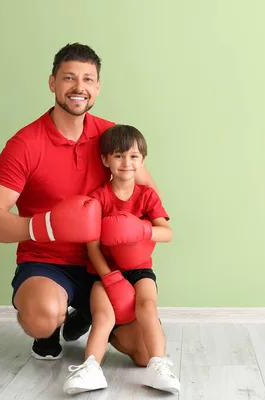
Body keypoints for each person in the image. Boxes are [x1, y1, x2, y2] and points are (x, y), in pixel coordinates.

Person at [0, 43, 159, 370]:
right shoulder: (25, 144)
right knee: (41, 315)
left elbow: (148, 195)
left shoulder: (112, 139)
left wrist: (138, 229)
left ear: (98, 87)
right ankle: (48, 333)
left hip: (104, 266)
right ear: (52, 83)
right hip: (48, 262)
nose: (79, 87)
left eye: (88, 79)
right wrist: (47, 225)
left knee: (145, 353)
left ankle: (86, 312)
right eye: (69, 78)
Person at [62, 125, 180, 394]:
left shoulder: (147, 196)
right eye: (118, 156)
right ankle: (90, 367)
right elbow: (91, 247)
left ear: (143, 160)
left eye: (134, 156)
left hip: (139, 271)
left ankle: (159, 365)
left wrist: (141, 229)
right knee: (103, 316)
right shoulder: (98, 198)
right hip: (105, 273)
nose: (127, 163)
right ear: (105, 159)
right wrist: (108, 276)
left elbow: (167, 232)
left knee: (148, 307)